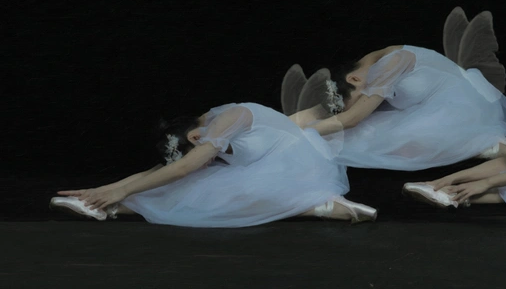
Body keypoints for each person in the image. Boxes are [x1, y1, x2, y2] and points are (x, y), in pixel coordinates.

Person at [50, 102, 376, 226]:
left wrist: (120, 192)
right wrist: (104, 188)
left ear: (194, 138)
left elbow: (182, 168)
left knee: (201, 187)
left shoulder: (229, 119)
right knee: (187, 181)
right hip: (285, 167)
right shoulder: (207, 125)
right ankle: (99, 204)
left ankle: (321, 205)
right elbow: (160, 171)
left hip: (300, 168)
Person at [283, 7, 506, 170]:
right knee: (345, 131)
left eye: (348, 103)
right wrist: (278, 127)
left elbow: (351, 118)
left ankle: (483, 143)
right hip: (440, 105)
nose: (347, 108)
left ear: (353, 79)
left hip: (464, 109)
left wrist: (300, 135)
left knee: (355, 134)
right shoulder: (369, 66)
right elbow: (320, 112)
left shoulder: (391, 63)